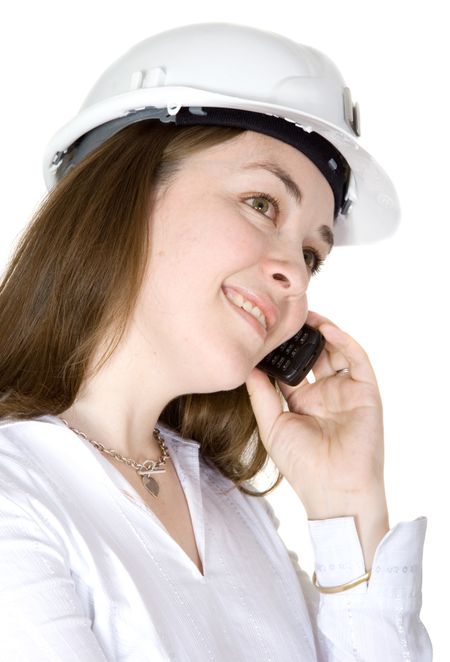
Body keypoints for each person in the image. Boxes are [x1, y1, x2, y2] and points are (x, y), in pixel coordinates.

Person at [0, 22, 432, 661]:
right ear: (124, 189)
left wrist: (348, 505)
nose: (294, 272)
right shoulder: (17, 494)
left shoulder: (230, 508)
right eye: (262, 203)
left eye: (313, 255)